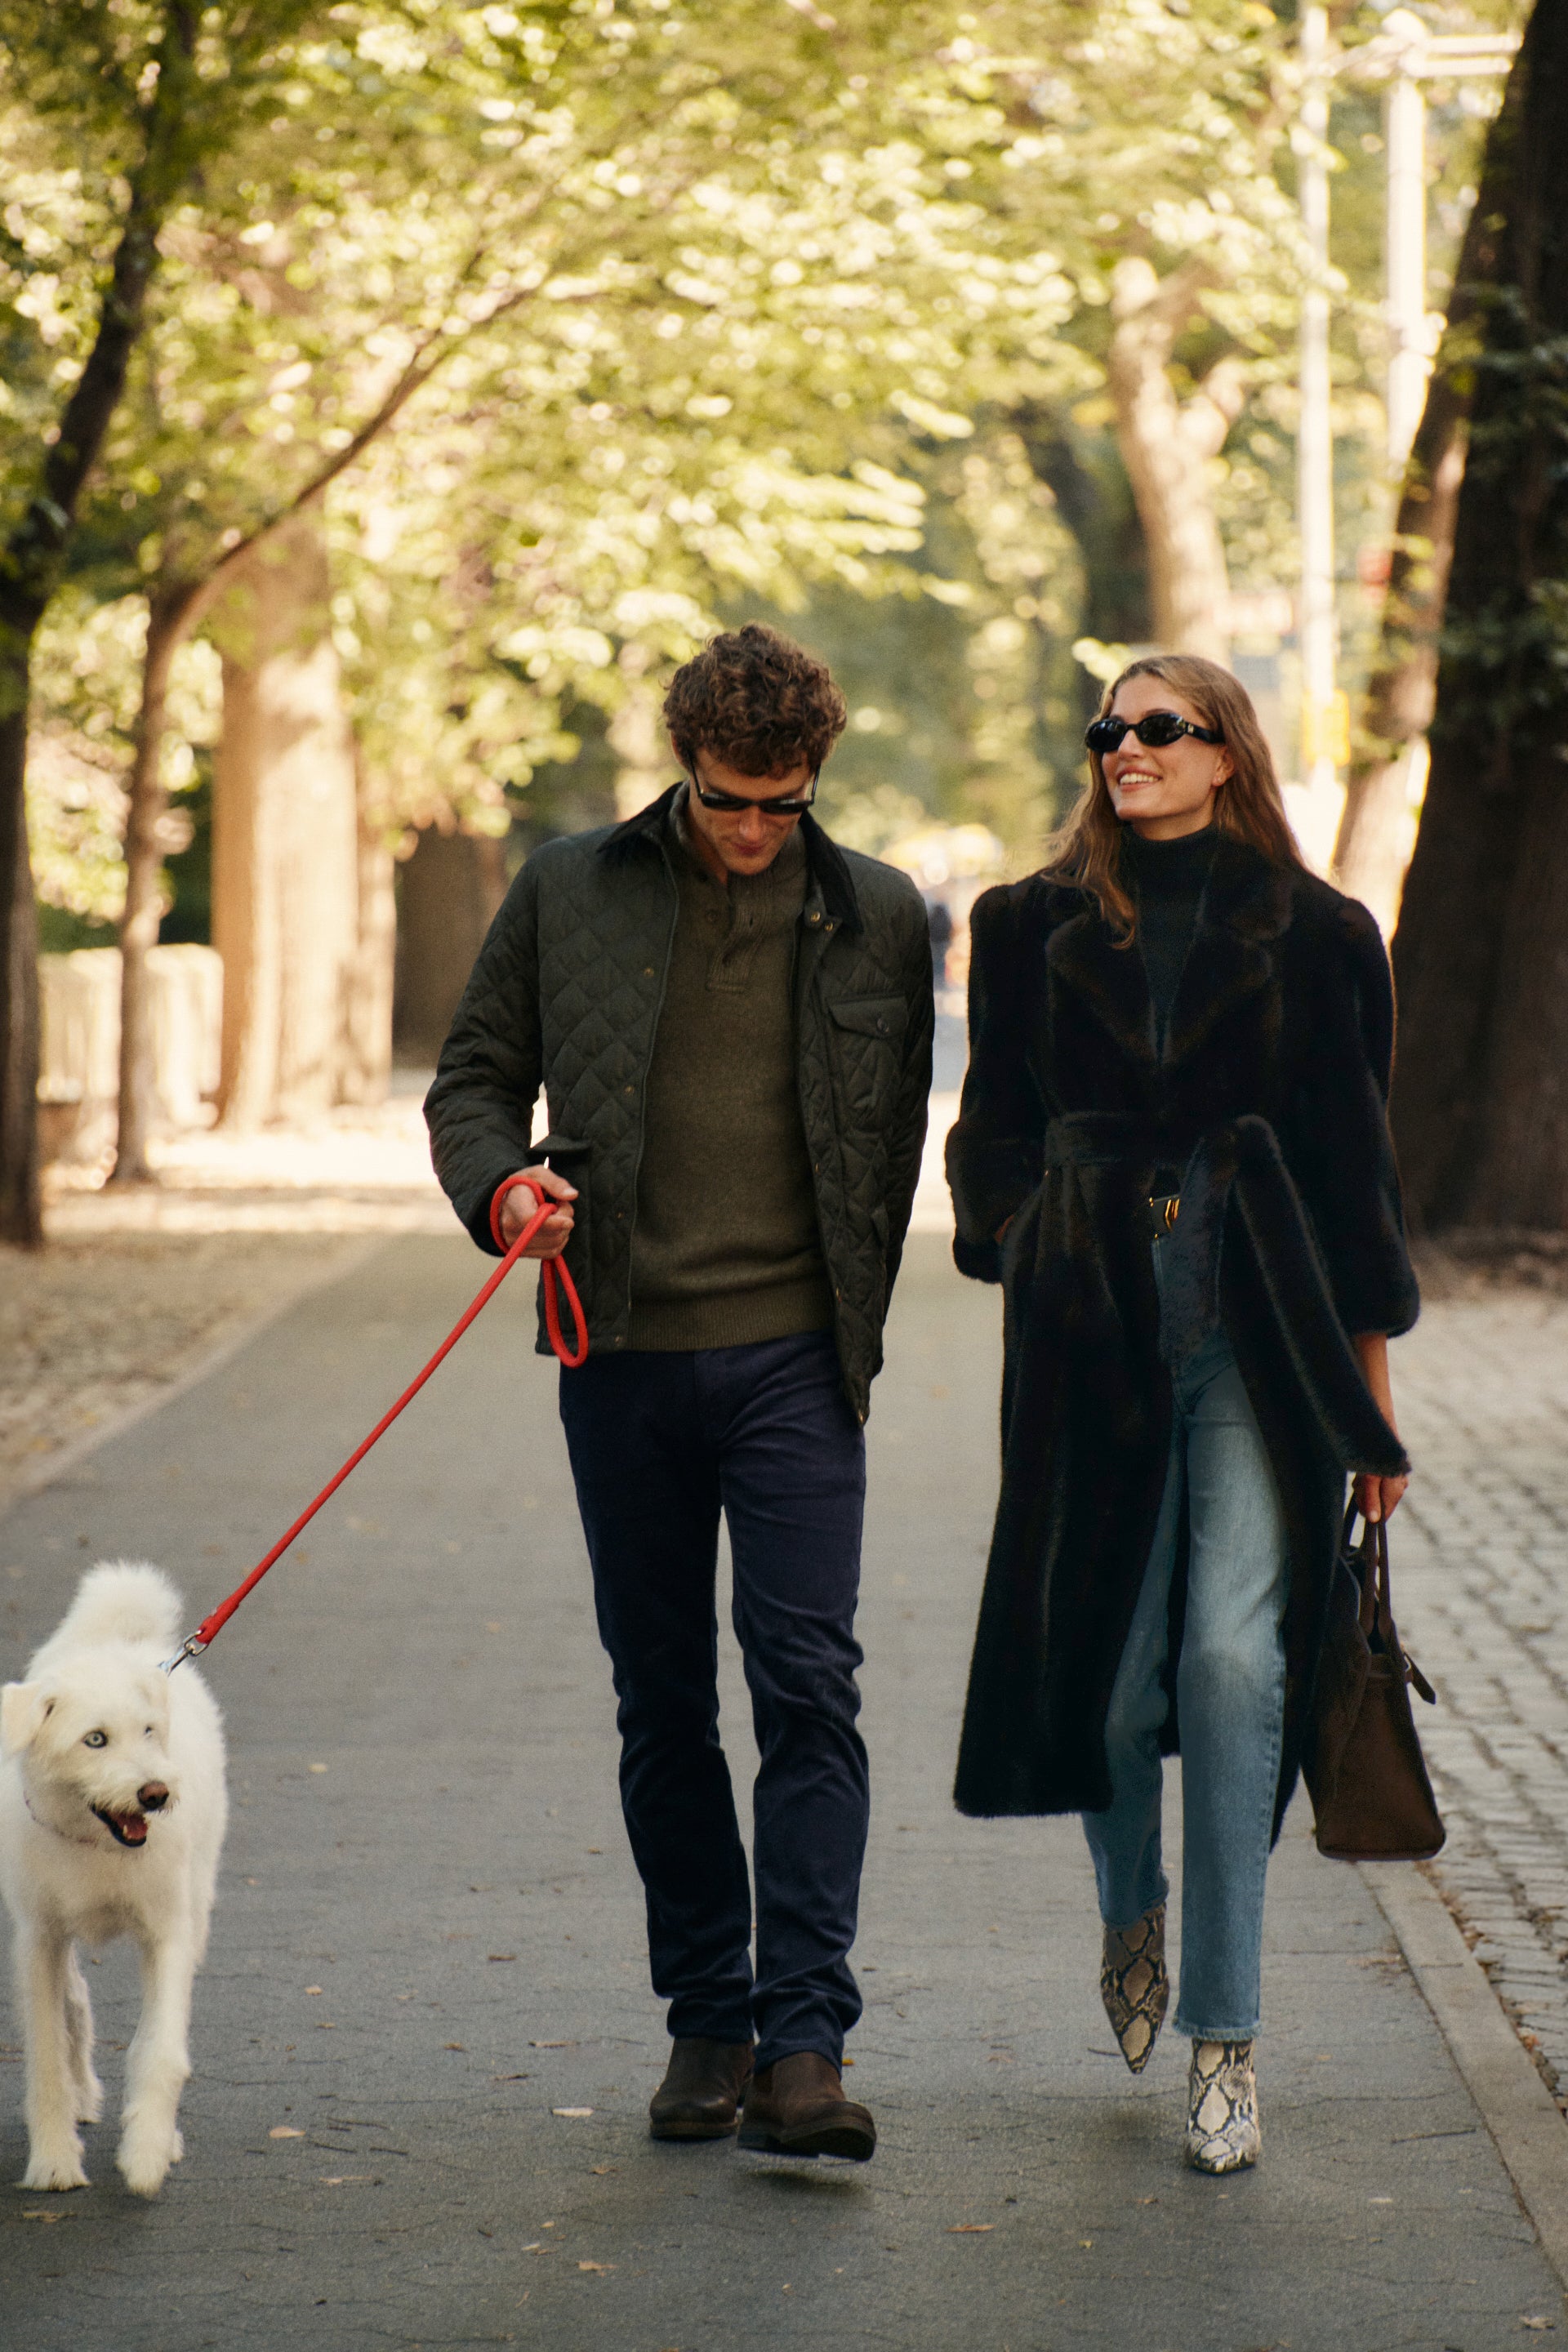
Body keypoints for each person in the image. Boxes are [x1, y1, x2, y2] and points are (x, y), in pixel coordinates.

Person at [425, 622, 933, 2162]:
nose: (756, 831)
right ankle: (707, 2019)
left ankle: (805, 2048)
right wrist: (505, 1188)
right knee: (663, 1703)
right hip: (622, 1353)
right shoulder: (568, 888)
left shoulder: (882, 914)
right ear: (683, 766)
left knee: (809, 1686)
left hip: (796, 1359)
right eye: (730, 799)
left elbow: (902, 1130)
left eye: (784, 802)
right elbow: (471, 1078)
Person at [945, 653, 1417, 2175]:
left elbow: (1360, 1180)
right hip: (1088, 1332)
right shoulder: (1023, 927)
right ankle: (1125, 1908)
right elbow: (988, 1139)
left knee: (1228, 1662)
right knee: (1104, 1679)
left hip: (1260, 1335)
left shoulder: (1327, 935)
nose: (1127, 748)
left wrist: (1376, 1414)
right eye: (1111, 730)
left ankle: (1226, 2041)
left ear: (1228, 752)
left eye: (1161, 727)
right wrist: (1037, 1236)